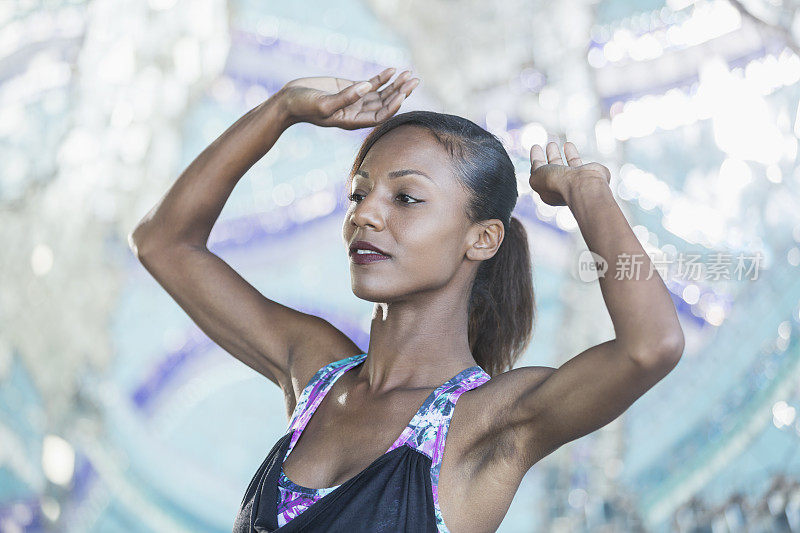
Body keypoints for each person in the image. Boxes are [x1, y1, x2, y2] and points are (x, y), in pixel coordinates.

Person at [129, 67, 685, 532]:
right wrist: (283, 109)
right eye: (359, 194)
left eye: (406, 197)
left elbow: (651, 345)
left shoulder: (489, 424)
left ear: (483, 238)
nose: (365, 214)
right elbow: (162, 243)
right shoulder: (316, 374)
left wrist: (587, 190)